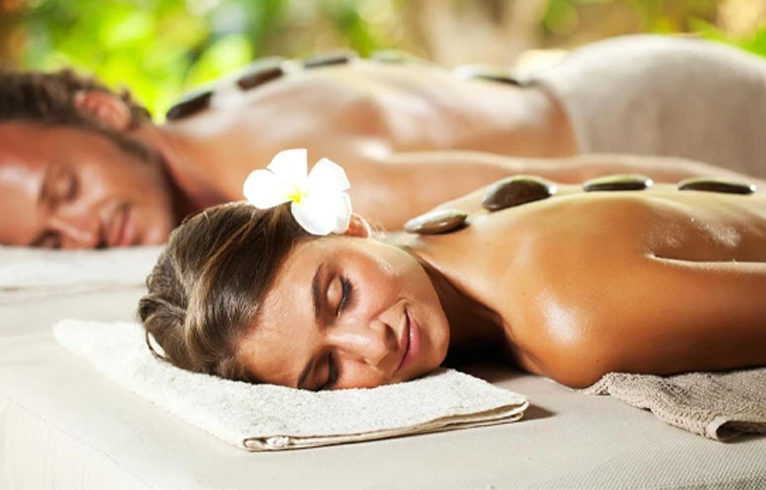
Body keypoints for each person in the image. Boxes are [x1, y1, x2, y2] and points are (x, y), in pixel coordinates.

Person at [0, 34, 766, 249]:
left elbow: (594, 182)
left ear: (101, 112)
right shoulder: (213, 111)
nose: (81, 232)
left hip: (662, 122)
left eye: (64, 191)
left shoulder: (296, 176)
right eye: (49, 239)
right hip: (605, 76)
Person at [138, 152, 766, 390]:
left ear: (348, 225)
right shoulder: (440, 229)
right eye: (327, 372)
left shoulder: (572, 319)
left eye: (341, 294)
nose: (373, 347)